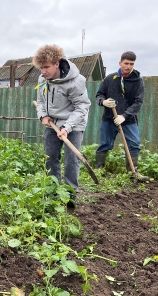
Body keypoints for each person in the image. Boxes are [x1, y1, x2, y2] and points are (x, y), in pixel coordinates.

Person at [33, 44, 91, 202]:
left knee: (71, 159)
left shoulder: (75, 82)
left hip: (74, 123)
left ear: (57, 63)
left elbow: (82, 106)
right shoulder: (43, 79)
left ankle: (71, 194)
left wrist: (67, 127)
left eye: (46, 67)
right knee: (50, 157)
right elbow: (40, 100)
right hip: (52, 123)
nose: (43, 71)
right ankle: (53, 190)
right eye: (41, 68)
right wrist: (43, 115)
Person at [95, 51, 148, 179]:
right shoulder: (109, 79)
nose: (128, 66)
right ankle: (99, 170)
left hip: (128, 120)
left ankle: (133, 173)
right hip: (109, 118)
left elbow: (138, 102)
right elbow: (99, 95)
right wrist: (104, 102)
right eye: (126, 63)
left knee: (134, 144)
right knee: (104, 144)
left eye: (131, 64)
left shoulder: (137, 81)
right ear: (120, 63)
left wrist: (124, 115)